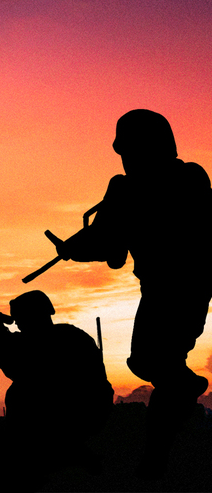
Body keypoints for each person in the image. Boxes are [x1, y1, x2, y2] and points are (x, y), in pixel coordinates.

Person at [52, 109, 211, 479]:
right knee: (150, 363)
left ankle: (158, 455)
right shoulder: (184, 177)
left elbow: (108, 240)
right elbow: (111, 242)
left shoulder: (141, 186)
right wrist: (81, 244)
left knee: (155, 363)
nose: (124, 158)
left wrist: (77, 246)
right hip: (175, 287)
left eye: (128, 150)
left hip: (178, 288)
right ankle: (171, 429)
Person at [0, 291, 112, 490]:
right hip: (80, 415)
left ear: (34, 316)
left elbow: (24, 366)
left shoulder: (59, 339)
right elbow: (19, 349)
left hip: (69, 419)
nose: (17, 324)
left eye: (21, 319)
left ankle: (65, 456)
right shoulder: (67, 335)